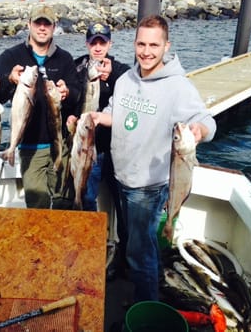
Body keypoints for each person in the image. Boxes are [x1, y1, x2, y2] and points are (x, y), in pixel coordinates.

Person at [89, 15, 217, 303]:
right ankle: (141, 281)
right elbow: (116, 112)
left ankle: (146, 306)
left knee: (140, 251)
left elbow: (207, 120)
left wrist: (199, 130)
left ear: (166, 46)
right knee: (134, 242)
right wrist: (99, 117)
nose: (146, 52)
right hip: (121, 176)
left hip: (148, 187)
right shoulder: (125, 79)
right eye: (141, 44)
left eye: (154, 45)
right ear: (134, 44)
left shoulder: (178, 87)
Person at [0, 4, 82, 209]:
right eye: (38, 23)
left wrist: (67, 92)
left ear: (54, 27)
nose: (42, 28)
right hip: (30, 147)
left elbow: (77, 94)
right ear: (29, 25)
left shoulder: (65, 58)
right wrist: (9, 80)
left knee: (64, 202)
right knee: (37, 207)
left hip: (60, 145)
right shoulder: (11, 56)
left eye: (47, 24)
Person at [70, 22, 130, 280]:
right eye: (93, 42)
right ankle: (90, 249)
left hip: (116, 151)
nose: (97, 47)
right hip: (87, 147)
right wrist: (69, 116)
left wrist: (111, 78)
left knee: (123, 203)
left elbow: (135, 96)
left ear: (109, 44)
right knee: (85, 197)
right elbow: (71, 98)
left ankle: (125, 258)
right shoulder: (77, 67)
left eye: (102, 42)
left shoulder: (123, 72)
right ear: (87, 44)